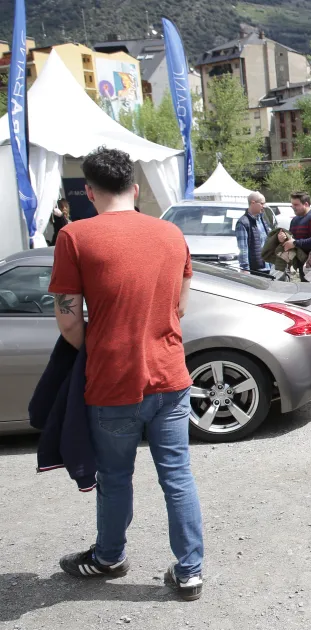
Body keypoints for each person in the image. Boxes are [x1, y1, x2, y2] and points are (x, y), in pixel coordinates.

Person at [48, 147, 204, 601]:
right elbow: (180, 305)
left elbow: (69, 322)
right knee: (177, 476)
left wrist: (103, 346)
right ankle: (190, 572)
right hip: (170, 376)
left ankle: (109, 556)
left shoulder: (75, 236)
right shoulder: (171, 233)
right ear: (135, 189)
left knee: (115, 477)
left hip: (113, 382)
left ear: (89, 192)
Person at [235, 191, 271, 273]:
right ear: (253, 203)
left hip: (269, 267)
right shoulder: (243, 223)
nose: (264, 206)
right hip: (256, 270)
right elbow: (243, 249)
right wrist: (245, 269)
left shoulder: (262, 219)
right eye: (262, 203)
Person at [288, 191, 311, 280]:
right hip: (302, 264)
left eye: (296, 205)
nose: (293, 207)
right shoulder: (295, 220)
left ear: (306, 204)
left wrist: (295, 243)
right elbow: (291, 238)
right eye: (292, 205)